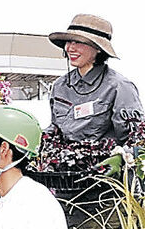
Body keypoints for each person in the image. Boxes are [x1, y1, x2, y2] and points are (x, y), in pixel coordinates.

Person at [47, 13, 143, 145]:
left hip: (103, 164)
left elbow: (134, 140)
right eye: (69, 41)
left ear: (98, 48)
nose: (71, 48)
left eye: (79, 42)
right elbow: (55, 129)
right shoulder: (60, 86)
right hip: (63, 162)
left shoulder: (119, 87)